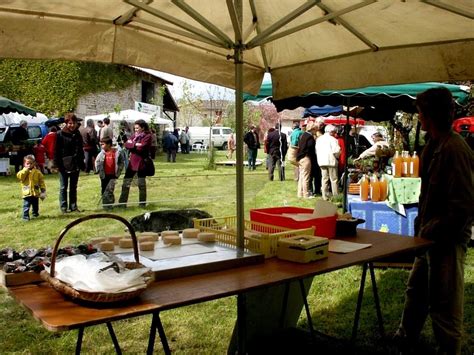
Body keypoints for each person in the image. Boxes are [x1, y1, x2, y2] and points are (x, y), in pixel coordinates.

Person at [394, 88, 474, 355]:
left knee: (445, 303)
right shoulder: (433, 146)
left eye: (421, 113)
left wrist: (436, 229)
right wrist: (422, 227)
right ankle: (406, 337)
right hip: (429, 237)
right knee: (416, 292)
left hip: (447, 240)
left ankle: (448, 349)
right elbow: (427, 194)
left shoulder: (455, 148)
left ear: (430, 116)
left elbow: (463, 206)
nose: (419, 118)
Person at [54, 113, 85, 213]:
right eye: (70, 123)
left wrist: (82, 162)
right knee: (63, 187)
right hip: (64, 163)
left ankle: (73, 206)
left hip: (75, 163)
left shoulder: (77, 134)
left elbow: (80, 149)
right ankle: (63, 207)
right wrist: (57, 164)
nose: (72, 125)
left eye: (74, 123)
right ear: (66, 123)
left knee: (73, 187)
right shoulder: (60, 134)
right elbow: (56, 151)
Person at [118, 119, 152, 207]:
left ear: (143, 128)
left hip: (141, 163)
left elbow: (142, 148)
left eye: (137, 128)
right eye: (135, 128)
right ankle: (122, 203)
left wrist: (132, 144)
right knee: (126, 182)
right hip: (132, 163)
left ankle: (142, 204)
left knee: (141, 184)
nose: (135, 130)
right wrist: (136, 144)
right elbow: (126, 144)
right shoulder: (134, 136)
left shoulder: (147, 136)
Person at [95, 137, 125, 209]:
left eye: (103, 144)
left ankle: (110, 204)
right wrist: (98, 170)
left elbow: (121, 162)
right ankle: (105, 205)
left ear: (109, 144)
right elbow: (97, 162)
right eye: (100, 144)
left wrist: (119, 171)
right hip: (104, 175)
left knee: (111, 189)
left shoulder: (117, 153)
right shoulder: (101, 153)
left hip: (113, 175)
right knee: (104, 189)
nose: (101, 146)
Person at [16, 154, 46, 221]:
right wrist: (25, 170)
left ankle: (35, 214)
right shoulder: (22, 172)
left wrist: (43, 189)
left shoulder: (37, 172)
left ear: (34, 163)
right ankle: (25, 217)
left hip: (35, 192)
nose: (29, 165)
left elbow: (41, 181)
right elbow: (19, 177)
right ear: (24, 164)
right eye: (27, 163)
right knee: (26, 205)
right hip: (27, 192)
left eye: (31, 163)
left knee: (35, 205)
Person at [315, 124, 341, 201]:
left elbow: (317, 150)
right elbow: (336, 151)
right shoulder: (333, 139)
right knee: (334, 179)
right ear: (331, 132)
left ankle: (325, 196)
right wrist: (337, 157)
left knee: (324, 179)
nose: (335, 133)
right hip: (331, 161)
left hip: (322, 161)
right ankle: (335, 196)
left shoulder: (319, 139)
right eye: (334, 132)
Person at [296, 121, 317, 198]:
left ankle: (300, 193)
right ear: (313, 129)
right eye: (315, 129)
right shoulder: (309, 137)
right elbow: (310, 148)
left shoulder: (303, 135)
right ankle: (306, 194)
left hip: (300, 158)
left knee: (301, 176)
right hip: (306, 158)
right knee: (306, 177)